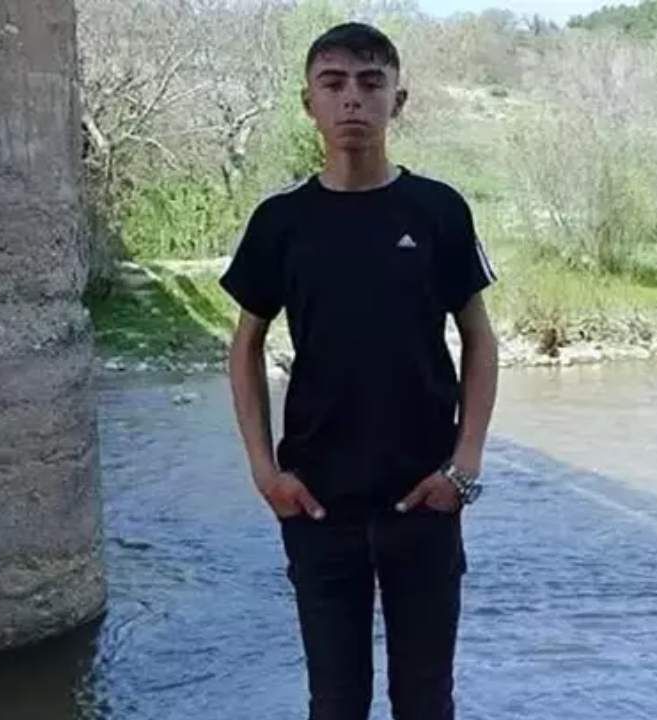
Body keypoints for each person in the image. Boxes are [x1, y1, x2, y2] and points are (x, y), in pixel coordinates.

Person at [220, 21, 500, 720]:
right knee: (336, 702)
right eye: (334, 83)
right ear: (308, 102)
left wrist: (464, 465)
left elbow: (479, 337)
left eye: (371, 83)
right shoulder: (281, 221)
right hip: (317, 503)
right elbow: (245, 343)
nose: (353, 98)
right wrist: (264, 472)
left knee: (425, 701)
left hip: (423, 498)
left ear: (397, 101)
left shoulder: (438, 210)